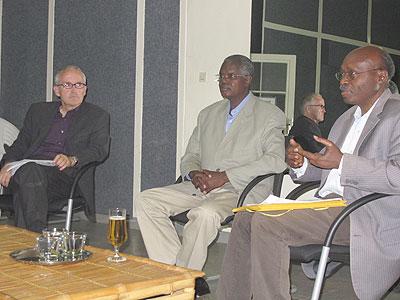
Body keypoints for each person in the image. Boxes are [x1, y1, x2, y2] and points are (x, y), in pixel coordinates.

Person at [217, 46, 400, 300]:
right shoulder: (346, 119)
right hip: (329, 206)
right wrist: (301, 163)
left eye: (352, 74)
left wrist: (343, 163)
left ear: (380, 77)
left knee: (267, 224)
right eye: (342, 75)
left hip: (364, 214)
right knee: (246, 218)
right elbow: (330, 167)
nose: (343, 81)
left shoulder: (396, 114)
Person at [135, 54, 287, 272]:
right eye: (221, 76)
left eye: (231, 76)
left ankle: (182, 280)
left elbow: (275, 161)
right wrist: (193, 173)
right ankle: (176, 272)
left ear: (248, 79)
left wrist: (225, 176)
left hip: (239, 190)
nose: (224, 80)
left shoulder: (269, 115)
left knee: (205, 214)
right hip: (199, 187)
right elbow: (190, 155)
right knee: (146, 200)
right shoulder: (207, 114)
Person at [0, 65, 110, 232]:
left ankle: (31, 238)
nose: (74, 90)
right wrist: (8, 164)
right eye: (67, 85)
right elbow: (21, 144)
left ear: (85, 89)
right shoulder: (38, 111)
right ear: (56, 90)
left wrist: (72, 159)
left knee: (26, 185)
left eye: (79, 85)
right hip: (26, 171)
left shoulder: (97, 116)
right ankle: (34, 241)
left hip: (63, 176)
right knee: (29, 174)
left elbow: (99, 150)